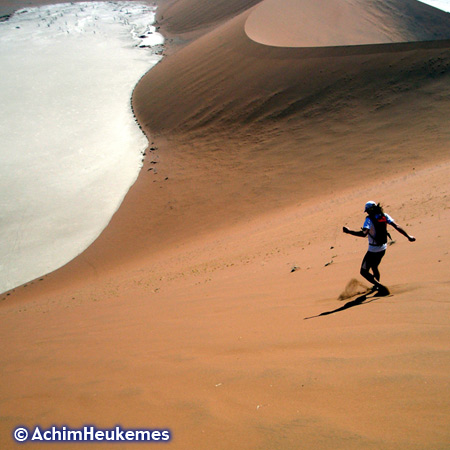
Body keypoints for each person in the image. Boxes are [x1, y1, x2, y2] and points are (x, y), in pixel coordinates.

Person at [343, 201, 416, 295]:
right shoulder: (384, 215)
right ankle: (376, 285)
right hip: (383, 248)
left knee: (363, 272)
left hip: (373, 250)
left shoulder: (369, 219)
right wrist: (408, 236)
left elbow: (363, 234)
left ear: (370, 210)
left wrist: (349, 232)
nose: (367, 213)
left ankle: (380, 286)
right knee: (374, 267)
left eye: (368, 211)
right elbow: (396, 226)